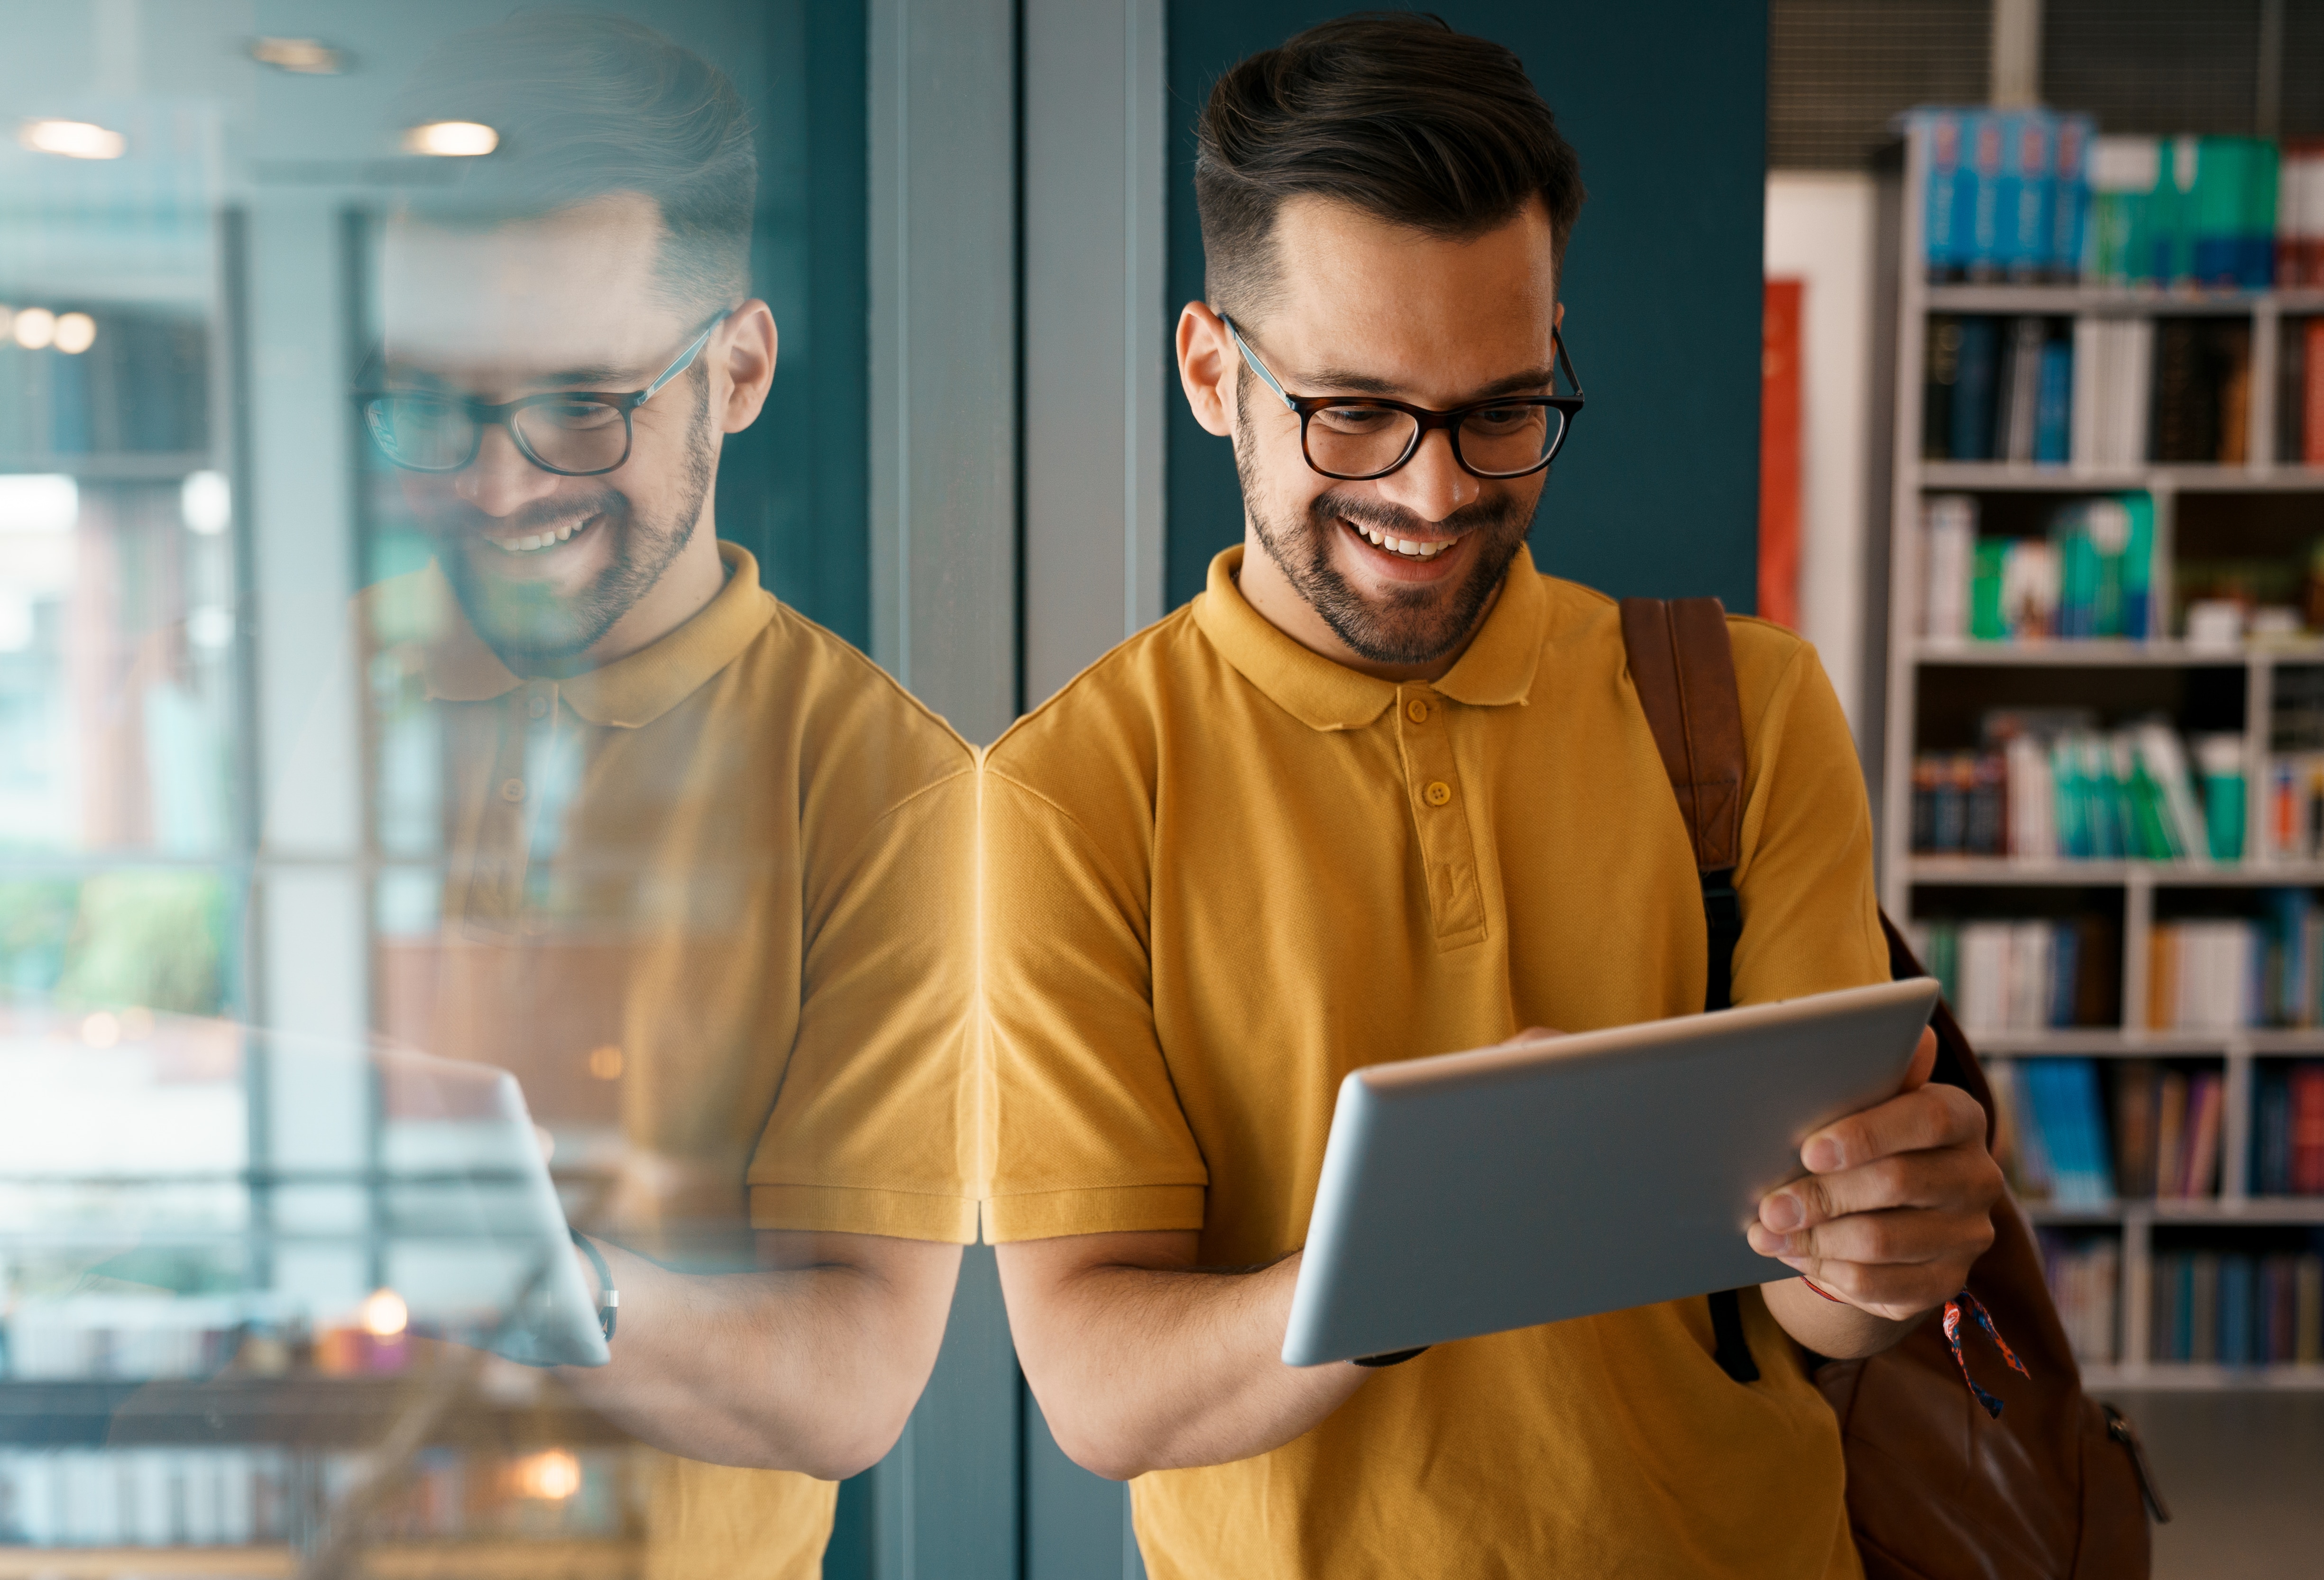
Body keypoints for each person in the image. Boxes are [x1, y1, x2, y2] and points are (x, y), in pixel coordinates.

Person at [982, 15, 2002, 1577]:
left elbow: (1809, 1311)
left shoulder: (1746, 708)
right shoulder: (1070, 796)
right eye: (1355, 412)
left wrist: (1876, 1254)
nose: (1436, 490)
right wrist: (1412, 1248)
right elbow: (1101, 1387)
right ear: (1212, 372)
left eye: (1502, 410)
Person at [358, 13, 974, 1574]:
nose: (499, 488)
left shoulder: (892, 791)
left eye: (584, 405)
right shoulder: (330, 678)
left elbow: (854, 1384)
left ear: (740, 371)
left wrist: (529, 1282)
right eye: (436, 406)